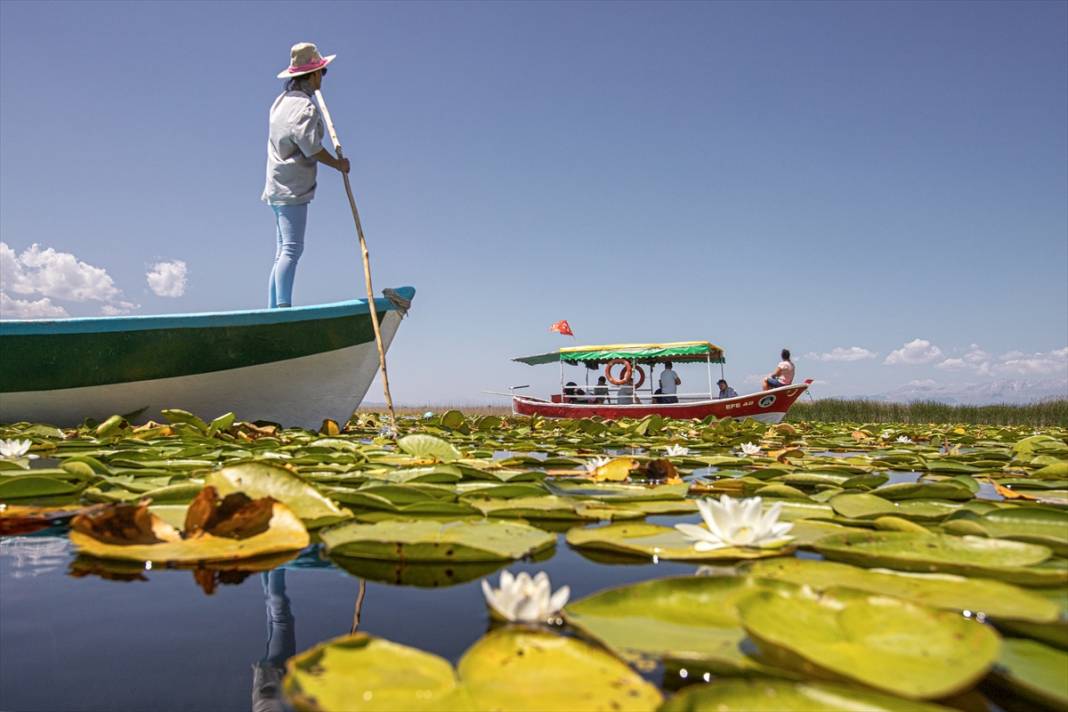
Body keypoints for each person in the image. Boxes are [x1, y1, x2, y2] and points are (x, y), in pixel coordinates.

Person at [263, 42, 350, 308]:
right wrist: (338, 164)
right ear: (312, 75)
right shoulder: (304, 108)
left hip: (277, 183)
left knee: (282, 250)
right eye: (322, 72)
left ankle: (273, 308)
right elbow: (311, 148)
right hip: (292, 187)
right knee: (292, 249)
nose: (323, 77)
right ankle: (282, 309)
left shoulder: (281, 102)